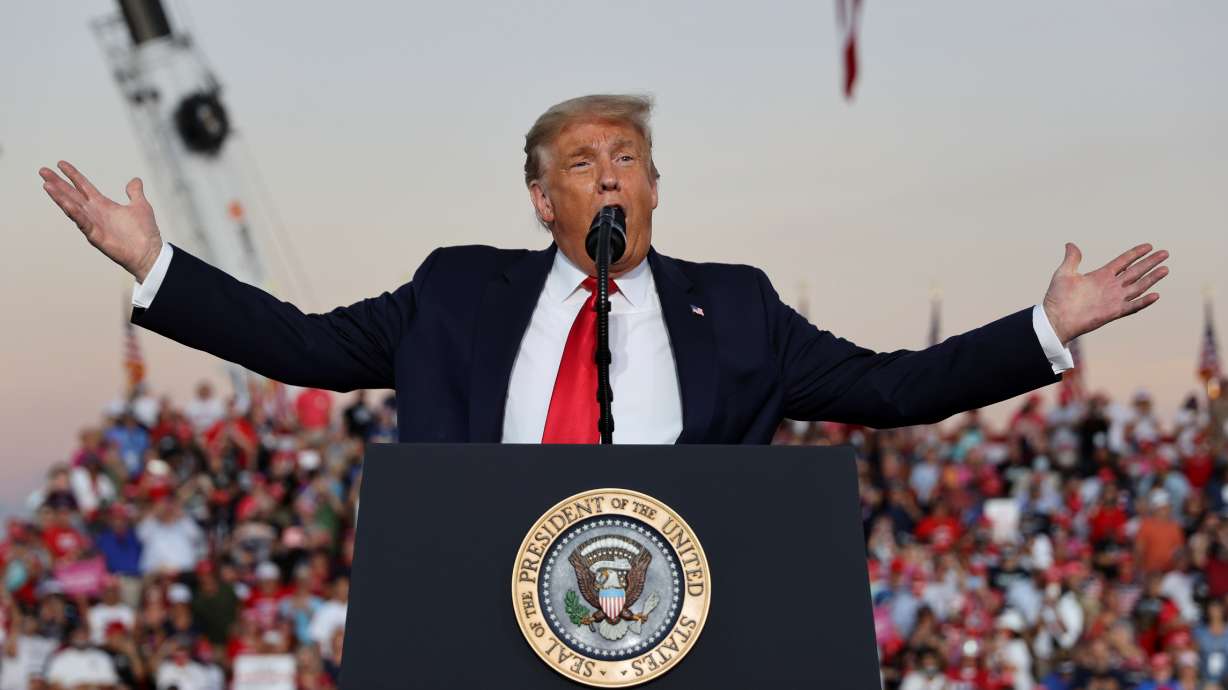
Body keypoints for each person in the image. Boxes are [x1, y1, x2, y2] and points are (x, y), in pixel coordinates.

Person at [38, 94, 1170, 444]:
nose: (610, 172)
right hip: (482, 611)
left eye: (629, 156)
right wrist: (159, 263)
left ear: (657, 188)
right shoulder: (454, 291)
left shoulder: (736, 306)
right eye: (582, 161)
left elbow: (891, 389)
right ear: (542, 200)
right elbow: (299, 346)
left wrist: (1042, 326)